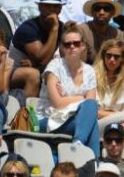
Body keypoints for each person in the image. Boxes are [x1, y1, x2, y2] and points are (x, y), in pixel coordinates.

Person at [39, 24, 101, 156]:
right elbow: (58, 103)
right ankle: (94, 163)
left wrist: (68, 98)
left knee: (91, 112)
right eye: (67, 44)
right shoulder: (55, 66)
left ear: (83, 46)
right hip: (50, 118)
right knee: (91, 123)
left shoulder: (89, 71)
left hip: (75, 119)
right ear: (62, 47)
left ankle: (78, 144)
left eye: (76, 43)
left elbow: (90, 103)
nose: (72, 47)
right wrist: (81, 98)